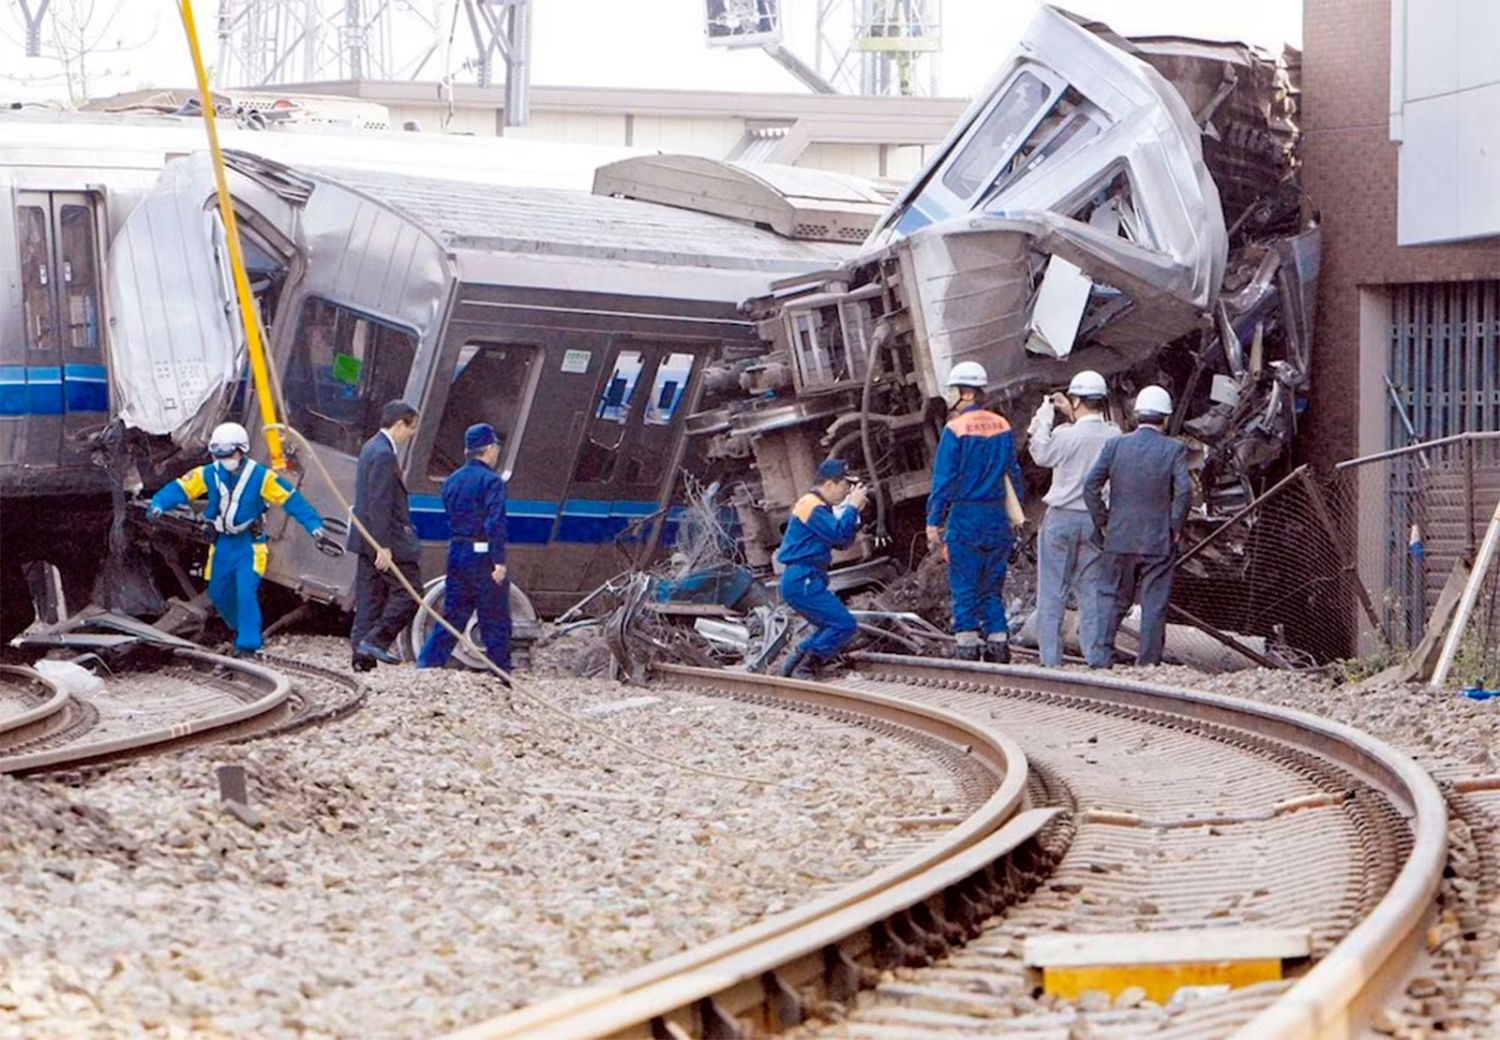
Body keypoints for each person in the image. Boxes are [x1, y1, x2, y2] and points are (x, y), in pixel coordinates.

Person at [148, 421, 341, 658]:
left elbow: (291, 500)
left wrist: (315, 527)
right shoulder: (209, 474)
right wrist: (158, 503)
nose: (223, 459)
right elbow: (181, 488)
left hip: (250, 545)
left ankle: (248, 644)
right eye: (218, 455)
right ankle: (240, 630)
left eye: (227, 454)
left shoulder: (261, 477)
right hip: (222, 544)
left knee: (246, 590)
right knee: (218, 593)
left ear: (241, 451)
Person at [1082, 385, 1192, 668]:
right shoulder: (1174, 449)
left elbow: (1091, 485)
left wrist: (1104, 521)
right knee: (1154, 603)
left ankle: (1100, 658)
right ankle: (1147, 665)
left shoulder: (1116, 445)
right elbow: (1184, 491)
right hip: (1158, 539)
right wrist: (1175, 525)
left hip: (1119, 537)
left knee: (1110, 595)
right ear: (1165, 419)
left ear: (1136, 415)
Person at [925, 362, 1025, 663]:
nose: (950, 395)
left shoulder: (954, 430)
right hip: (997, 519)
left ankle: (968, 647)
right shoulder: (1003, 426)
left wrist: (933, 521)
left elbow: (944, 479)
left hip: (966, 518)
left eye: (953, 390)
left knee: (965, 585)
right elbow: (1014, 474)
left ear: (965, 393)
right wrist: (1015, 514)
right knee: (992, 587)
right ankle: (998, 643)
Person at [1027, 370, 1121, 667]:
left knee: (1052, 591)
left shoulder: (1065, 435)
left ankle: (1051, 661)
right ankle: (1096, 658)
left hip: (1061, 520)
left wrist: (1044, 418)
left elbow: (1040, 453)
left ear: (1077, 399)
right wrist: (1072, 415)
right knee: (1091, 592)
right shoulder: (1114, 435)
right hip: (1095, 521)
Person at [416, 422, 513, 676]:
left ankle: (426, 665)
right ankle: (501, 675)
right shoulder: (492, 482)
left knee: (452, 615)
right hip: (483, 557)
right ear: (489, 449)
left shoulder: (452, 481)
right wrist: (499, 561)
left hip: (457, 552)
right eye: (496, 448)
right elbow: (494, 523)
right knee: (495, 618)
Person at [777, 458, 869, 679]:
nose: (846, 494)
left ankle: (792, 666)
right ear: (829, 484)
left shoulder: (817, 506)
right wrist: (852, 507)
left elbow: (842, 542)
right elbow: (839, 535)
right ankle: (805, 669)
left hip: (805, 577)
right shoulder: (812, 506)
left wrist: (853, 513)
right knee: (843, 625)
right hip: (803, 578)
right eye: (844, 488)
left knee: (829, 626)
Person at [349, 400, 422, 671]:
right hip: (382, 539)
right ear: (400, 423)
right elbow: (379, 502)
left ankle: (361, 660)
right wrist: (384, 546)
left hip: (365, 539)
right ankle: (377, 640)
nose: (411, 434)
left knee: (370, 597)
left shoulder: (370, 447)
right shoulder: (384, 454)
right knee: (411, 591)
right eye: (411, 428)